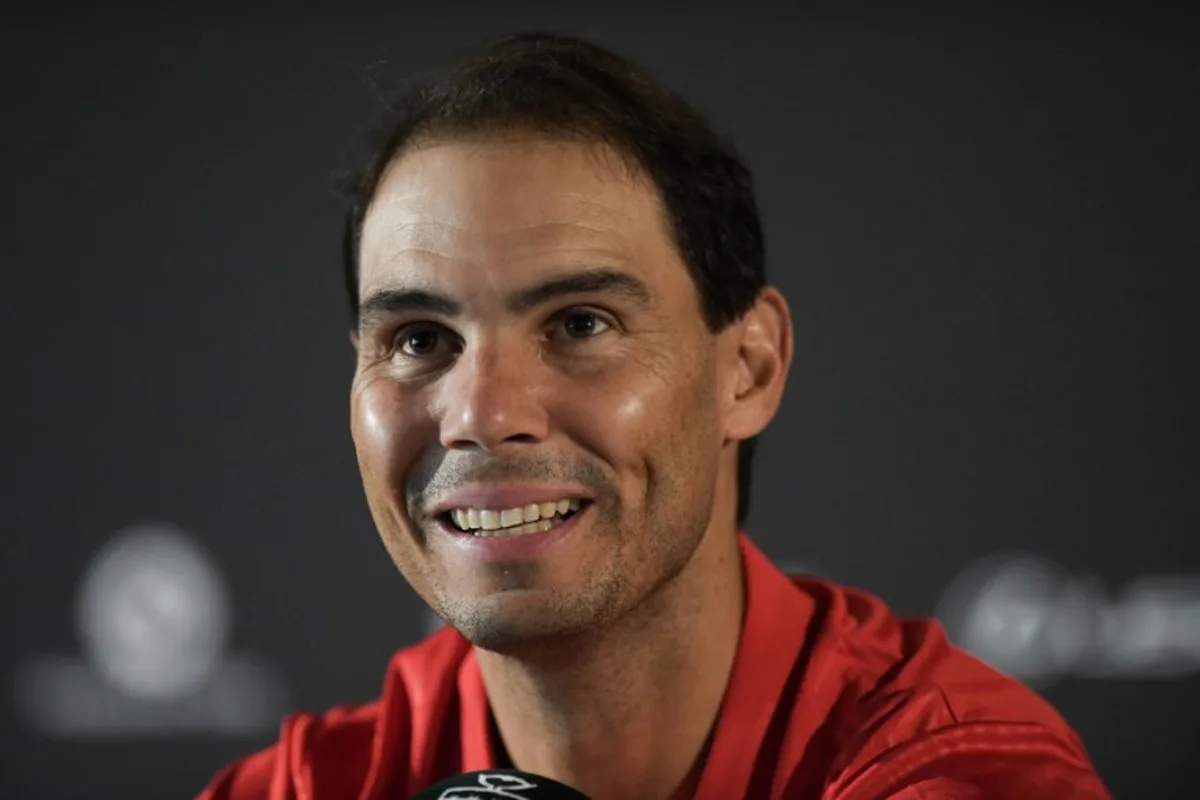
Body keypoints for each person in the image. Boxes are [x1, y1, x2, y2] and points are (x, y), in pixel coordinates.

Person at [201, 32, 1111, 800]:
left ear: (747, 368)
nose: (480, 414)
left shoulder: (953, 772)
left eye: (580, 323)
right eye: (418, 339)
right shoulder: (308, 785)